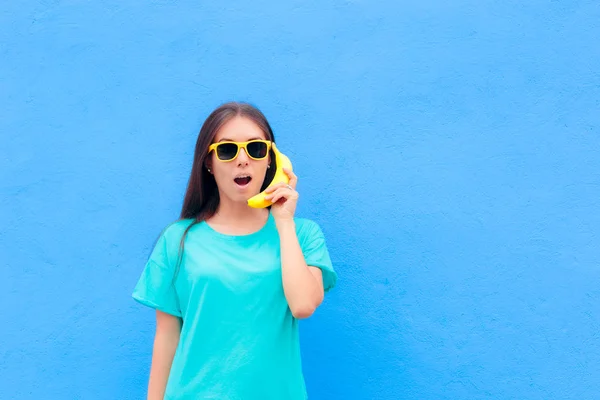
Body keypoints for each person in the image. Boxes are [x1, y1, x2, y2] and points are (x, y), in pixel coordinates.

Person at [131, 101, 338, 400]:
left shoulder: (302, 234)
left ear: (272, 160)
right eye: (227, 150)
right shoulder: (178, 239)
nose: (243, 160)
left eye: (255, 149)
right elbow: (166, 338)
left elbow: (303, 305)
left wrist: (283, 222)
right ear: (208, 162)